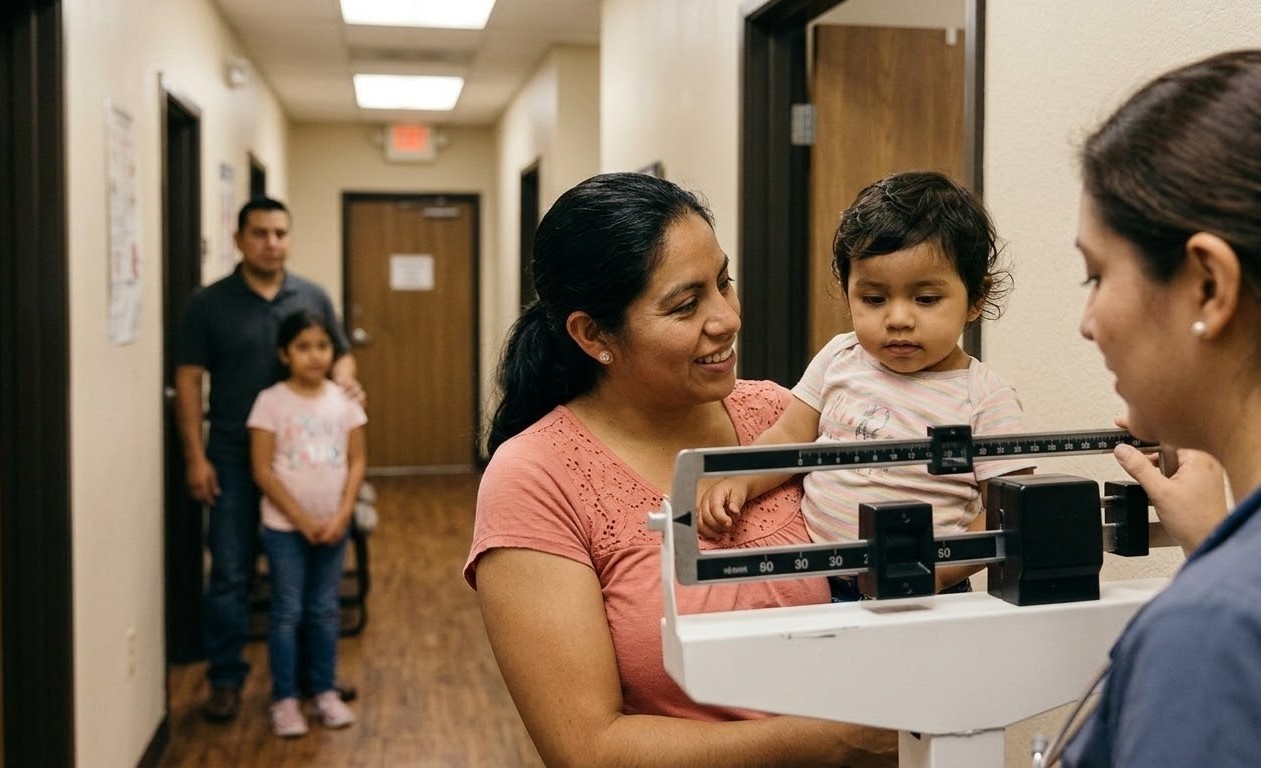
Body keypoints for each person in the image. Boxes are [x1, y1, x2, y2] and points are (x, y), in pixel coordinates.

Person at [464, 172, 897, 767]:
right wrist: (838, 738)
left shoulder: (781, 416)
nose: (726, 318)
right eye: (686, 305)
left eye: (725, 283)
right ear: (594, 335)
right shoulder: (537, 478)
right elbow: (587, 749)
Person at [1047, 48, 1261, 767]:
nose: (1088, 321)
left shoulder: (1212, 632)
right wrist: (1217, 545)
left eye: (1095, 274)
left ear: (1207, 286)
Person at [698, 171, 1035, 596]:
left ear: (976, 300)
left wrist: (939, 572)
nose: (897, 319)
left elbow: (1007, 510)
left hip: (925, 590)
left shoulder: (985, 398)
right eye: (874, 299)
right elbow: (789, 437)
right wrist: (741, 481)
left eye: (926, 299)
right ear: (848, 292)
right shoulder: (840, 357)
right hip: (819, 580)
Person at [174, 197, 364, 722]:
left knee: (308, 574)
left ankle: (314, 680)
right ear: (239, 240)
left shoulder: (311, 295)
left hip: (308, 462)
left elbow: (341, 351)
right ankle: (226, 679)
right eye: (259, 233)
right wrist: (195, 456)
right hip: (236, 458)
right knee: (232, 572)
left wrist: (344, 381)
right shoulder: (208, 304)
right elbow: (188, 381)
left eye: (280, 232)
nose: (271, 243)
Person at [247, 310, 366, 737]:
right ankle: (285, 699)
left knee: (324, 610)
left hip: (333, 526)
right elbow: (262, 470)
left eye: (322, 346)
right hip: (284, 530)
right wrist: (300, 520)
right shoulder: (270, 402)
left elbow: (357, 462)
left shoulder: (344, 402)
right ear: (284, 354)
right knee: (287, 612)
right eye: (303, 347)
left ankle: (324, 691)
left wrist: (341, 515)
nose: (315, 356)